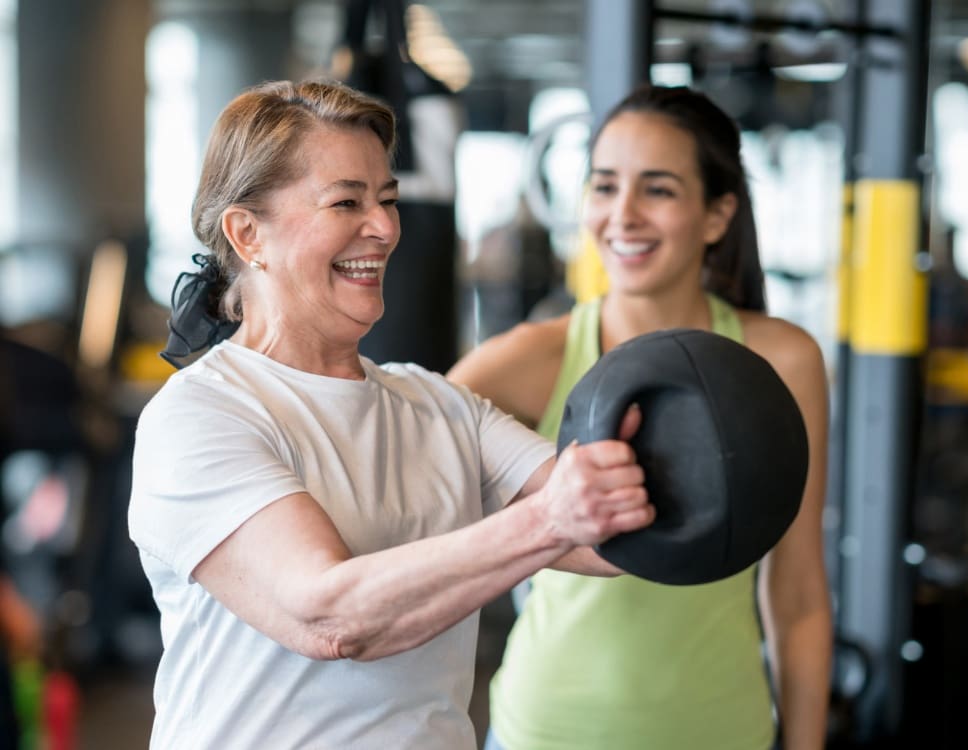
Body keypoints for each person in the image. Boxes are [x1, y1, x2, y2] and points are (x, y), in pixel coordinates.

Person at [126, 79, 655, 750]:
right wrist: (550, 519)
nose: (382, 227)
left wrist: (681, 467)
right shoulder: (204, 414)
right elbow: (330, 616)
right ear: (247, 233)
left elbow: (600, 537)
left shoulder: (440, 405)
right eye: (346, 201)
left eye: (388, 200)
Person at [448, 84, 833, 750]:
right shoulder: (524, 361)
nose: (621, 215)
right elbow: (410, 505)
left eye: (657, 189)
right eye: (603, 186)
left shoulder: (782, 359)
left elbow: (797, 592)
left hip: (721, 731)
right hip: (546, 731)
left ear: (717, 215)